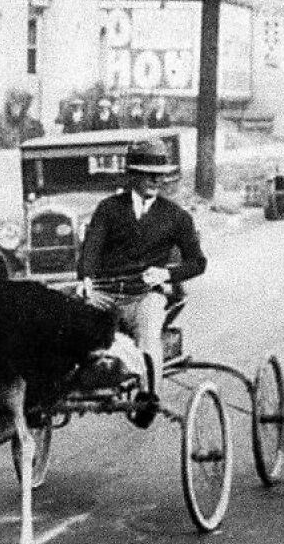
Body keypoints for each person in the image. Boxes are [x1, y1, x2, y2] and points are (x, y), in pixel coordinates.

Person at [77, 139, 207, 426]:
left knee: (149, 335)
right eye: (149, 174)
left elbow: (198, 262)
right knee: (69, 330)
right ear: (132, 175)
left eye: (160, 174)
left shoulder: (176, 217)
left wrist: (166, 275)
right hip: (105, 294)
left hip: (145, 295)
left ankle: (149, 400)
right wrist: (87, 282)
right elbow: (91, 250)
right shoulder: (108, 209)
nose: (156, 180)